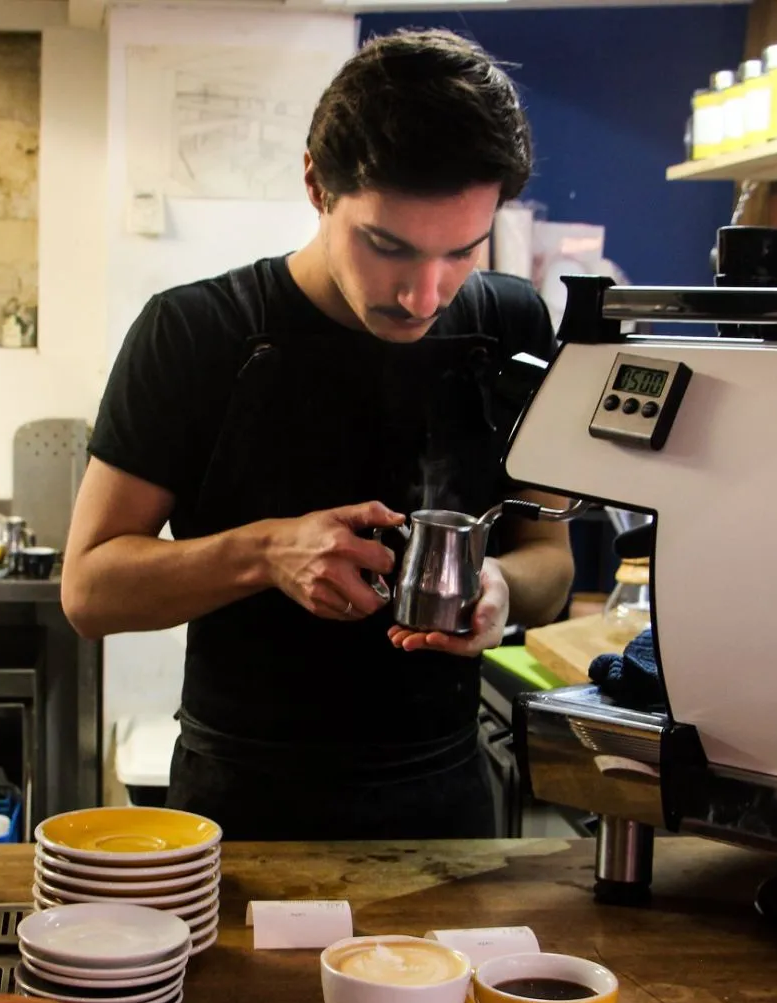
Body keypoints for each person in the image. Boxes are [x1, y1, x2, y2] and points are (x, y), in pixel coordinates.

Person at [62, 30, 574, 840]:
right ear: (316, 184)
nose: (422, 293)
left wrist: (502, 590)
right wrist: (266, 552)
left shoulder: (510, 324)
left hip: (447, 799)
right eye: (387, 246)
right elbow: (89, 590)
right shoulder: (196, 333)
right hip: (244, 805)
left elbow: (550, 560)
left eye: (462, 252)